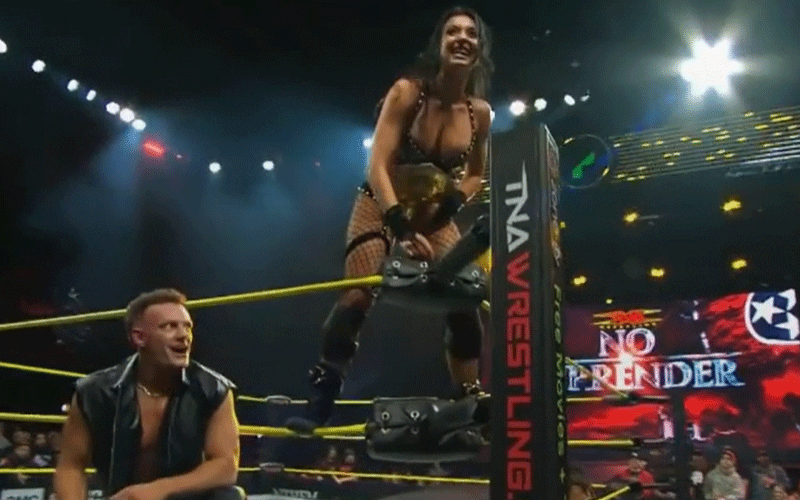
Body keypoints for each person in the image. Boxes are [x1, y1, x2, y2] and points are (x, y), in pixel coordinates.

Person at [290, 5, 494, 429]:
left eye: (470, 33)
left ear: (479, 48)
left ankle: (469, 398)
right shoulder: (408, 92)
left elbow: (476, 174)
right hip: (381, 204)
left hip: (434, 212)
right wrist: (399, 226)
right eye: (452, 31)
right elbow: (377, 165)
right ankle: (322, 397)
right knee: (357, 297)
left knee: (464, 302)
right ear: (439, 45)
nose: (462, 38)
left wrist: (452, 205)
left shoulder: (480, 113)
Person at [54, 289, 242, 500]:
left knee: (230, 496)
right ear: (139, 337)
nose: (183, 336)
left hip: (185, 499)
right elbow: (71, 466)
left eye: (187, 326)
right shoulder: (94, 392)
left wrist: (156, 490)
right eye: (169, 326)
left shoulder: (213, 389)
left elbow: (226, 466)